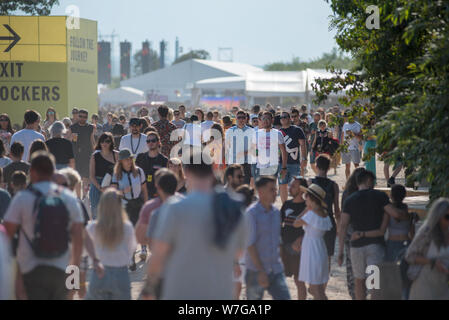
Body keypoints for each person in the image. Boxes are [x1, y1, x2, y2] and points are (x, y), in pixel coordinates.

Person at [141, 152, 247, 300]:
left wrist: (148, 289)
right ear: (213, 169)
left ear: (186, 172)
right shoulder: (235, 207)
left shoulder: (174, 208)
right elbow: (239, 252)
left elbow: (158, 255)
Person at [2, 151, 84, 300]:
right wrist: (73, 283)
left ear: (31, 172)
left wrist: (16, 280)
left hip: (31, 272)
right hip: (62, 270)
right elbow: (78, 243)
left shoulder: (22, 198)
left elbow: (6, 237)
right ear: (53, 172)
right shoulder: (69, 198)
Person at [338, 169, 409, 300]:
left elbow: (342, 226)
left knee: (359, 281)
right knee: (374, 283)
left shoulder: (349, 199)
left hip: (356, 246)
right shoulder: (380, 196)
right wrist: (409, 216)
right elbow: (396, 214)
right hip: (375, 245)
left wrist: (341, 251)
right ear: (369, 180)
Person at [85, 188, 136, 300]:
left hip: (99, 272)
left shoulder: (93, 227)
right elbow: (131, 249)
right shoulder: (127, 227)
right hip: (121, 273)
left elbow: (85, 247)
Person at [245, 176, 291, 300]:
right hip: (255, 271)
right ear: (260, 192)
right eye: (271, 190)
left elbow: (277, 241)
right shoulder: (251, 214)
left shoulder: (276, 212)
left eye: (275, 189)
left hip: (275, 270)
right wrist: (261, 271)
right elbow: (250, 245)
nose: (275, 193)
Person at [293, 184, 332, 300]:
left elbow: (296, 223)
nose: (305, 198)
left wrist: (305, 210)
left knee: (316, 289)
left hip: (312, 252)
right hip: (319, 249)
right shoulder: (325, 214)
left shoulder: (311, 214)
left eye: (307, 196)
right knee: (317, 289)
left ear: (311, 198)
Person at [111, 149, 148, 271]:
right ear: (120, 161)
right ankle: (131, 256)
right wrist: (122, 192)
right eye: (126, 159)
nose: (128, 161)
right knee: (129, 232)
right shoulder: (116, 174)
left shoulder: (139, 171)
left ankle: (139, 250)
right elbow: (113, 192)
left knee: (138, 229)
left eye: (130, 158)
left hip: (138, 203)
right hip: (125, 204)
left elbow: (144, 188)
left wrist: (146, 204)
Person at [405, 198, 449, 300]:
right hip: (425, 285)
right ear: (438, 217)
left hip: (444, 287)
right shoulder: (427, 232)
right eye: (447, 217)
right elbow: (410, 256)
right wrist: (433, 262)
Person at [280, 176, 308, 300]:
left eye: (293, 186)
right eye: (290, 185)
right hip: (284, 248)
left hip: (299, 250)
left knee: (299, 281)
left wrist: (301, 240)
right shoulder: (286, 204)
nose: (290, 188)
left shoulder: (306, 207)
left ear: (302, 190)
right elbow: (278, 224)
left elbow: (310, 228)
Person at [310, 155, 340, 268]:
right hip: (329, 221)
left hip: (314, 222)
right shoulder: (334, 186)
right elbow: (337, 210)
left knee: (314, 255)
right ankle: (323, 283)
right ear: (329, 168)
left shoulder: (310, 183)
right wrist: (339, 227)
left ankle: (314, 283)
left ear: (316, 166)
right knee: (327, 256)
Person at [341, 167, 365, 299]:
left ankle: (354, 295)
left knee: (353, 272)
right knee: (373, 273)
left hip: (351, 237)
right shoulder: (371, 194)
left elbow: (344, 220)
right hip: (371, 238)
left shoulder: (346, 194)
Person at [279, 112, 307, 203]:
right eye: (281, 117)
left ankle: (296, 204)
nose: (283, 119)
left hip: (294, 163)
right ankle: (284, 206)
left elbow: (303, 145)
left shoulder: (297, 130)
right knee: (282, 185)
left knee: (296, 186)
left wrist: (304, 158)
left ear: (289, 118)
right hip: (281, 164)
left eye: (285, 117)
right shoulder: (278, 132)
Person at [252, 112, 288, 182]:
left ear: (272, 120)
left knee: (270, 187)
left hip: (273, 167)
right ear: (261, 120)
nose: (265, 120)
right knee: (261, 189)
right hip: (260, 167)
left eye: (268, 118)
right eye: (263, 118)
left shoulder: (277, 133)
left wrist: (284, 167)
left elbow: (283, 151)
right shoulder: (256, 133)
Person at [89, 132, 118, 219]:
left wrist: (113, 185)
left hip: (112, 185)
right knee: (96, 214)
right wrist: (100, 188)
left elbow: (118, 172)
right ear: (99, 142)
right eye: (102, 141)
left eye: (107, 141)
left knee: (110, 214)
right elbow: (91, 176)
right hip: (96, 185)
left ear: (111, 142)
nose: (104, 143)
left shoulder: (116, 155)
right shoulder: (95, 156)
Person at [385, 184, 414, 262]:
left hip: (392, 242)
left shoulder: (388, 211)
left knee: (392, 271)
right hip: (406, 242)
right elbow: (412, 232)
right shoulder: (408, 213)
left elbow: (383, 228)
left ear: (391, 195)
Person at [136, 132, 168, 199]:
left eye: (153, 141)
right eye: (148, 141)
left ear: (158, 142)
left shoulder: (164, 160)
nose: (150, 143)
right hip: (142, 194)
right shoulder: (140, 157)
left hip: (157, 196)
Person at [70, 109, 95, 195]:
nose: (82, 118)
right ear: (77, 116)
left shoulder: (90, 127)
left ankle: (85, 197)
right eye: (80, 116)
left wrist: (95, 153)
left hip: (87, 154)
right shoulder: (73, 127)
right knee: (78, 177)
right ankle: (78, 197)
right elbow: (68, 141)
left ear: (87, 118)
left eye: (85, 117)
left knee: (86, 177)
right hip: (76, 155)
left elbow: (92, 141)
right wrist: (71, 137)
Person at [225, 110, 254, 185]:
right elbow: (226, 147)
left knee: (245, 185)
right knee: (233, 184)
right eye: (239, 117)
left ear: (246, 118)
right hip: (232, 163)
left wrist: (244, 153)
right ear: (236, 118)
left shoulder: (251, 131)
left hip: (246, 163)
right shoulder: (229, 131)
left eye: (243, 117)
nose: (241, 119)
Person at [341, 111, 362, 180]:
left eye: (346, 117)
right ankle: (348, 182)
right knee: (347, 166)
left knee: (356, 166)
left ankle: (358, 183)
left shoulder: (357, 125)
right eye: (345, 117)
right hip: (346, 148)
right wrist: (341, 146)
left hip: (355, 148)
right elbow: (342, 135)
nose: (346, 118)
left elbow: (360, 137)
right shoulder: (345, 124)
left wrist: (352, 133)